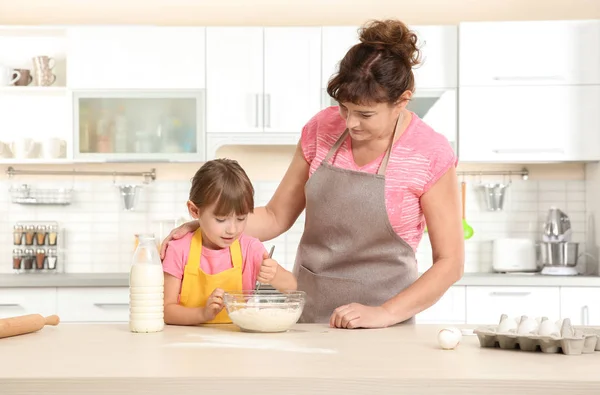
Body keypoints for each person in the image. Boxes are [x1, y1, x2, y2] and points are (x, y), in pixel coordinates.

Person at [161, 19, 464, 329]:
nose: (349, 123)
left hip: (384, 324)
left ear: (402, 101)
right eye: (344, 108)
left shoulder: (430, 152)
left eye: (365, 114)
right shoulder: (322, 128)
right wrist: (209, 225)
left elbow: (450, 263)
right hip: (309, 316)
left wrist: (384, 313)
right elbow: (276, 216)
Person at [161, 158, 297, 326]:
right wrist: (203, 314)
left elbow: (291, 286)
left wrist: (274, 274)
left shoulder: (249, 248)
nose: (232, 229)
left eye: (241, 218)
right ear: (194, 210)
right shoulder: (179, 249)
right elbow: (166, 310)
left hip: (237, 344)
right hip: (185, 345)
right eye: (220, 219)